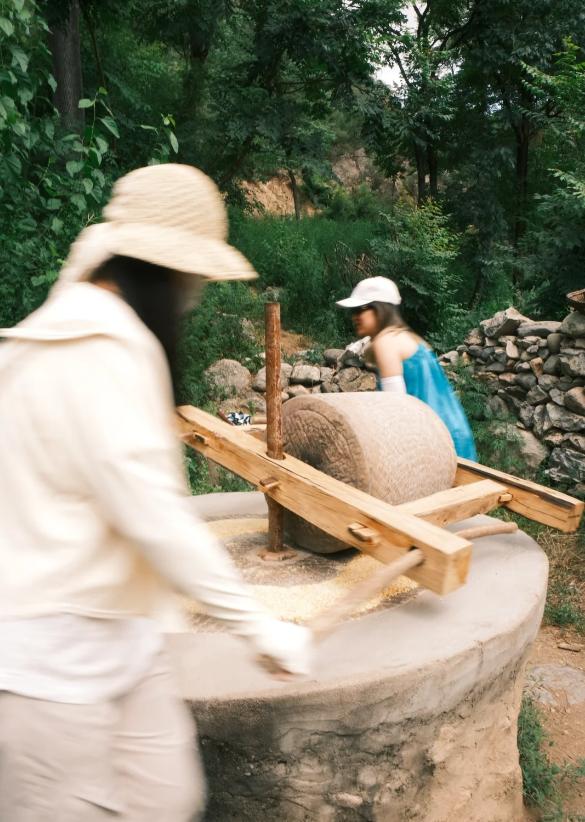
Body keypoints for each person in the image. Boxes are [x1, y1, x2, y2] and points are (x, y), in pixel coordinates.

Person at [0, 163, 312, 822]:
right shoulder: (92, 349)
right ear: (164, 272)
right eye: (192, 279)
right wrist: (259, 626)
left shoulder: (87, 323)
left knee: (166, 797)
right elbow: (154, 518)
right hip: (43, 662)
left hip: (125, 636)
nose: (194, 294)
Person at [337, 276, 477, 460]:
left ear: (380, 309)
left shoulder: (385, 343)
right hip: (455, 434)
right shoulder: (407, 338)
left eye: (359, 309)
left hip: (435, 447)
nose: (354, 316)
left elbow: (397, 410)